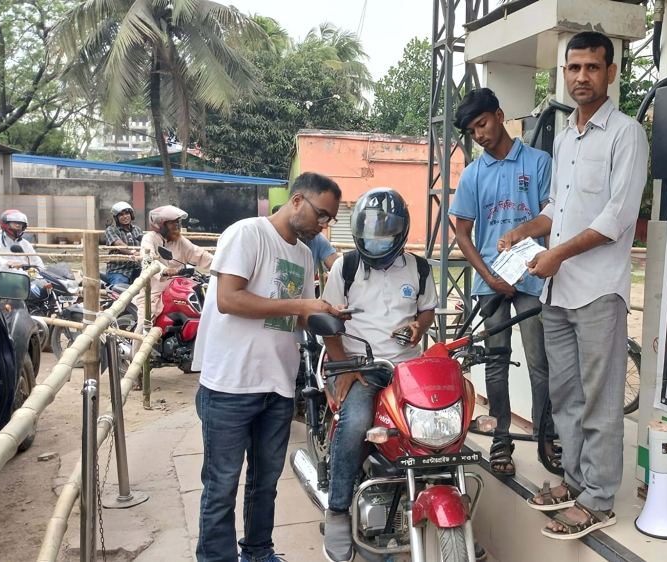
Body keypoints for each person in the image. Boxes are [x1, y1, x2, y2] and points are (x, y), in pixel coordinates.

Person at [498, 31, 648, 540]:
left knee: (600, 397)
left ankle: (600, 500)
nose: (582, 76)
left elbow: (617, 217)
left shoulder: (626, 134)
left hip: (598, 289)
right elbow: (557, 210)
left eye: (592, 67)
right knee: (564, 395)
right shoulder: (564, 138)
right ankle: (576, 481)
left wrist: (556, 254)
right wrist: (527, 230)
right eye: (574, 68)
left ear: (610, 73)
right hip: (557, 292)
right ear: (563, 73)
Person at [191, 172, 347, 562]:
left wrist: (326, 314)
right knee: (222, 486)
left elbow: (295, 316)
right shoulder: (248, 234)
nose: (323, 225)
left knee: (265, 484)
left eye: (329, 219)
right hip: (230, 385)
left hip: (277, 385)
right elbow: (229, 299)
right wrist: (301, 306)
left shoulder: (302, 251)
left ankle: (259, 552)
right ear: (297, 200)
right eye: (321, 215)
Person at [320, 188, 438, 562]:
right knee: (355, 423)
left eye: (385, 232)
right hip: (361, 367)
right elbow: (328, 320)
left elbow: (426, 311)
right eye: (371, 231)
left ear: (400, 233)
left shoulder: (419, 268)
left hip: (408, 370)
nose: (377, 239)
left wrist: (419, 328)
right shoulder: (346, 266)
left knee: (434, 426)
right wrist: (341, 366)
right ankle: (338, 510)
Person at [449, 87, 552, 476]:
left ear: (500, 114)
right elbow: (463, 233)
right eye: (473, 131)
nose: (480, 135)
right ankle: (501, 441)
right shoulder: (473, 174)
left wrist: (531, 255)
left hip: (532, 276)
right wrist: (488, 276)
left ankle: (545, 435)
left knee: (540, 361)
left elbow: (550, 216)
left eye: (483, 124)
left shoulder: (539, 162)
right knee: (495, 362)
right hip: (490, 284)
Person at [133, 205, 213, 331]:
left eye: (177, 222)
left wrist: (219, 264)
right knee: (143, 328)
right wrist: (164, 270)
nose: (176, 225)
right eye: (171, 222)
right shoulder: (150, 238)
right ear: (160, 224)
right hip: (153, 293)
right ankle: (137, 351)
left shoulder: (178, 239)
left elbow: (198, 254)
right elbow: (148, 259)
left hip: (176, 290)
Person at [0, 210, 44, 285]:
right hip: (1, 282)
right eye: (14, 223)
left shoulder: (25, 243)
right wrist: (8, 263)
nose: (17, 226)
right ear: (6, 224)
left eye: (20, 223)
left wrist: (40, 270)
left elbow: (36, 261)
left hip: (22, 281)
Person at [104, 201, 143, 285]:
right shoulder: (111, 230)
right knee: (120, 291)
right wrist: (134, 252)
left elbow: (144, 244)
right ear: (116, 217)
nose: (125, 216)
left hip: (137, 268)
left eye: (127, 213)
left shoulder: (137, 230)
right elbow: (119, 245)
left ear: (131, 214)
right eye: (121, 215)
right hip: (119, 269)